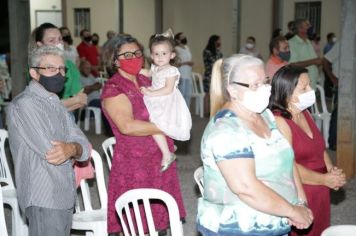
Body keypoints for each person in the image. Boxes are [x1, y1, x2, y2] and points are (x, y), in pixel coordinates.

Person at [197, 54, 313, 236]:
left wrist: (300, 203)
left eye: (266, 82)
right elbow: (246, 188)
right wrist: (291, 211)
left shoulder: (265, 116)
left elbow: (287, 159)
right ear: (233, 91)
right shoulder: (226, 131)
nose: (265, 89)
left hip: (277, 219)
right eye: (255, 85)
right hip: (240, 228)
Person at [100, 34, 186, 234]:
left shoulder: (145, 79)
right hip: (135, 162)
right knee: (137, 222)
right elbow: (127, 126)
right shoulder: (114, 88)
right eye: (127, 54)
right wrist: (168, 127)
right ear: (115, 60)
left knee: (160, 220)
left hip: (160, 158)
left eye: (137, 53)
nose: (134, 58)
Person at [7, 45, 91, 236]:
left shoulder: (55, 103)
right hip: (43, 194)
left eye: (62, 69)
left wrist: (72, 148)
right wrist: (71, 149)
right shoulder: (24, 104)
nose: (59, 74)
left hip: (64, 191)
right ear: (34, 73)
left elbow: (83, 145)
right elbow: (51, 151)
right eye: (51, 69)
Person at [269, 65, 346, 235]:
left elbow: (319, 148)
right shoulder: (279, 122)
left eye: (310, 85)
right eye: (305, 88)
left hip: (320, 188)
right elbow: (288, 166)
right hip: (299, 192)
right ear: (288, 93)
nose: (311, 90)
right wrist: (324, 179)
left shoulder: (305, 113)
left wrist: (332, 172)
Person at [140, 31, 192, 171]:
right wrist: (136, 70)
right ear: (151, 56)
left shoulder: (172, 71)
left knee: (155, 123)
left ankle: (167, 153)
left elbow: (168, 89)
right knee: (153, 123)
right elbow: (148, 73)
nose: (160, 57)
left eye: (164, 53)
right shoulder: (155, 67)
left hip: (166, 100)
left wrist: (151, 92)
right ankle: (168, 145)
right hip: (156, 98)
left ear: (172, 55)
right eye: (156, 54)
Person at [31, 23, 87, 112]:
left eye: (60, 39)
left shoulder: (70, 66)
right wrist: (73, 100)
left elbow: (82, 100)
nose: (58, 43)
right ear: (40, 44)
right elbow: (41, 106)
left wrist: (72, 102)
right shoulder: (36, 68)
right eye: (52, 40)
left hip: (68, 117)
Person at [288, 19, 321, 90]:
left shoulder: (308, 42)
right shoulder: (291, 43)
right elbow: (293, 64)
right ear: (300, 28)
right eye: (307, 25)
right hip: (300, 86)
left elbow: (314, 60)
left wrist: (318, 62)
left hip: (311, 84)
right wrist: (313, 61)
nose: (310, 27)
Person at [323, 42, 340, 150]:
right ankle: (333, 142)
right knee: (337, 114)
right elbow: (325, 60)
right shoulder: (343, 43)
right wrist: (333, 78)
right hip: (342, 85)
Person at [203, 35, 223, 116]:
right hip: (209, 75)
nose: (220, 42)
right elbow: (213, 63)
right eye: (218, 41)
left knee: (216, 93)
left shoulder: (218, 52)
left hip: (217, 76)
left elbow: (221, 62)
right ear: (214, 41)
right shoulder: (207, 51)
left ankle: (215, 111)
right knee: (207, 94)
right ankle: (206, 111)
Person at [175, 32, 194, 107]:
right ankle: (180, 114)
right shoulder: (176, 49)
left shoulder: (187, 47)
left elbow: (189, 59)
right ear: (177, 40)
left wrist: (191, 63)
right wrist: (186, 63)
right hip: (181, 75)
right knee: (181, 95)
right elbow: (176, 63)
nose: (184, 38)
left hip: (188, 75)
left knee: (188, 95)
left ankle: (187, 114)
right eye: (182, 37)